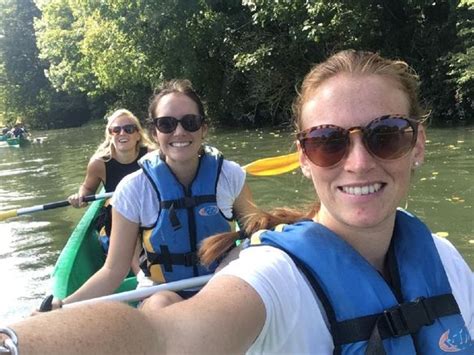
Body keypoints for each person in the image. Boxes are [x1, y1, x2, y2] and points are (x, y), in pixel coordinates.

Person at [1, 50, 472, 354]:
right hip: (174, 290)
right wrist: (43, 320)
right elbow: (157, 335)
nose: (358, 162)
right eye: (328, 141)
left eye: (386, 135)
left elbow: (250, 221)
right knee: (162, 300)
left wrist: (252, 240)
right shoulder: (271, 278)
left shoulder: (446, 262)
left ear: (419, 144)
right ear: (303, 157)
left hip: (216, 275)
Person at [49, 79, 255, 310]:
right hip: (161, 291)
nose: (179, 131)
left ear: (203, 128)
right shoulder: (133, 188)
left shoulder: (230, 175)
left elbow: (256, 236)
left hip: (221, 284)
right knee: (160, 304)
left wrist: (234, 258)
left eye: (190, 122)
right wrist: (62, 305)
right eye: (166, 124)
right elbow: (113, 271)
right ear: (154, 133)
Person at [67, 109, 154, 262]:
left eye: (129, 129)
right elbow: (88, 188)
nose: (122, 133)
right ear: (110, 135)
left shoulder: (152, 156)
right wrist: (80, 196)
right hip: (117, 213)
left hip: (148, 207)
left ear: (138, 134)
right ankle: (140, 273)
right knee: (128, 226)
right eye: (116, 130)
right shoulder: (99, 163)